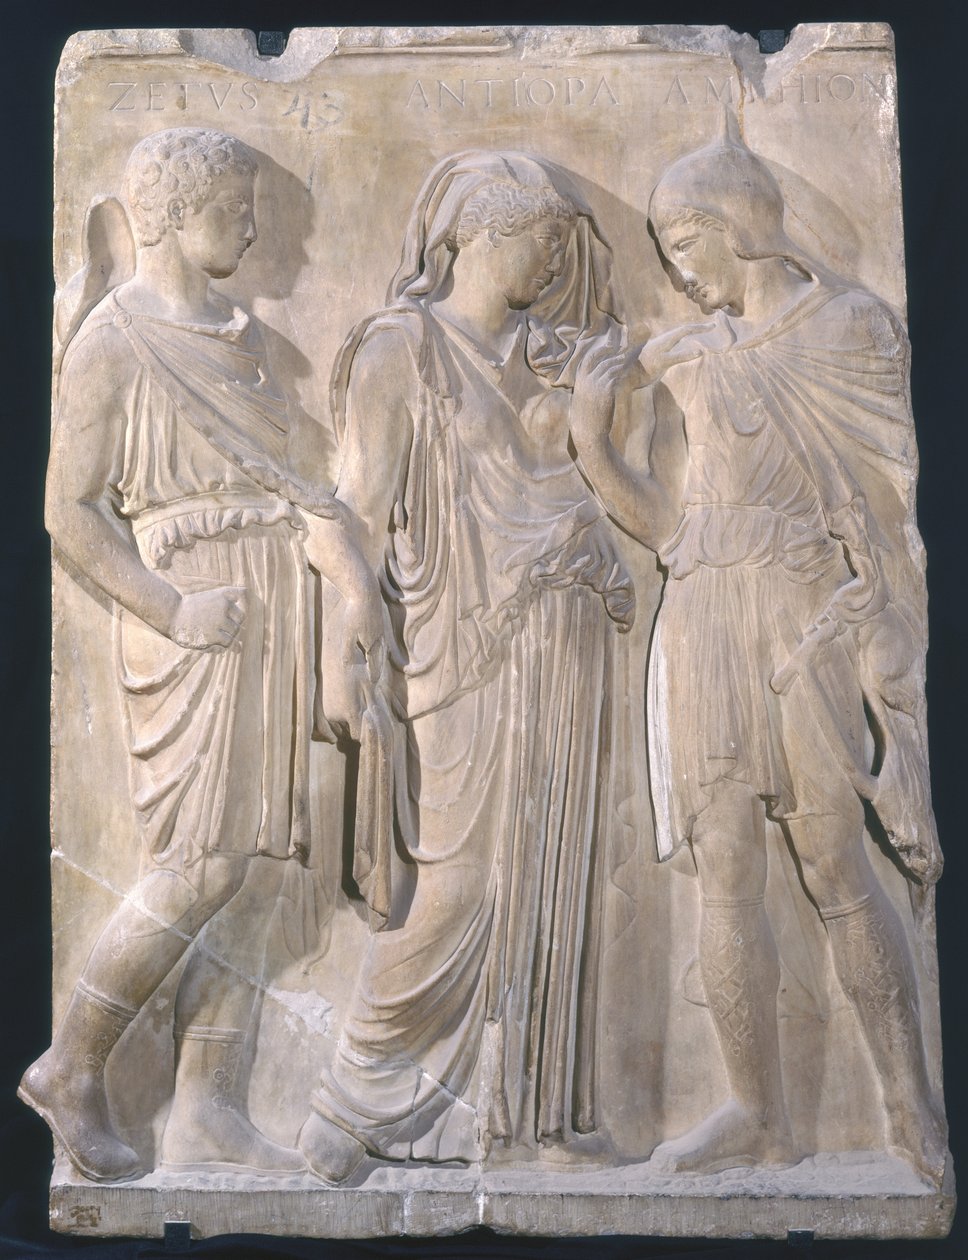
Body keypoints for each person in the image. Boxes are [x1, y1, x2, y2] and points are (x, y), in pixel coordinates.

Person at [568, 116, 947, 1183]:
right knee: (724, 871)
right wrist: (592, 440)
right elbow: (664, 525)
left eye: (685, 244)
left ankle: (908, 1106)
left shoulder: (850, 330)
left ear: (738, 226)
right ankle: (757, 1115)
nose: (677, 273)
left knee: (833, 858)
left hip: (799, 613)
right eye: (663, 253)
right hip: (702, 615)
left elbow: (888, 495)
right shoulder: (679, 362)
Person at [20, 127, 382, 1182]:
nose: (255, 231)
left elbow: (277, 478)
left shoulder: (241, 336)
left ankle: (209, 1109)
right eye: (237, 209)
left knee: (259, 870)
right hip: (196, 610)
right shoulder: (114, 341)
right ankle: (71, 1064)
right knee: (198, 865)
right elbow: (69, 510)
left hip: (269, 599)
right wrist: (173, 608)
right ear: (175, 215)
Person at [298, 150, 637, 1181]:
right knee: (457, 886)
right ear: (482, 233)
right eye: (543, 241)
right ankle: (352, 1101)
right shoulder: (403, 348)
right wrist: (343, 637)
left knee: (541, 874)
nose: (555, 263)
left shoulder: (549, 357)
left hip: (559, 644)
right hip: (455, 649)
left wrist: (590, 423)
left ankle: (523, 1122)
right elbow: (351, 510)